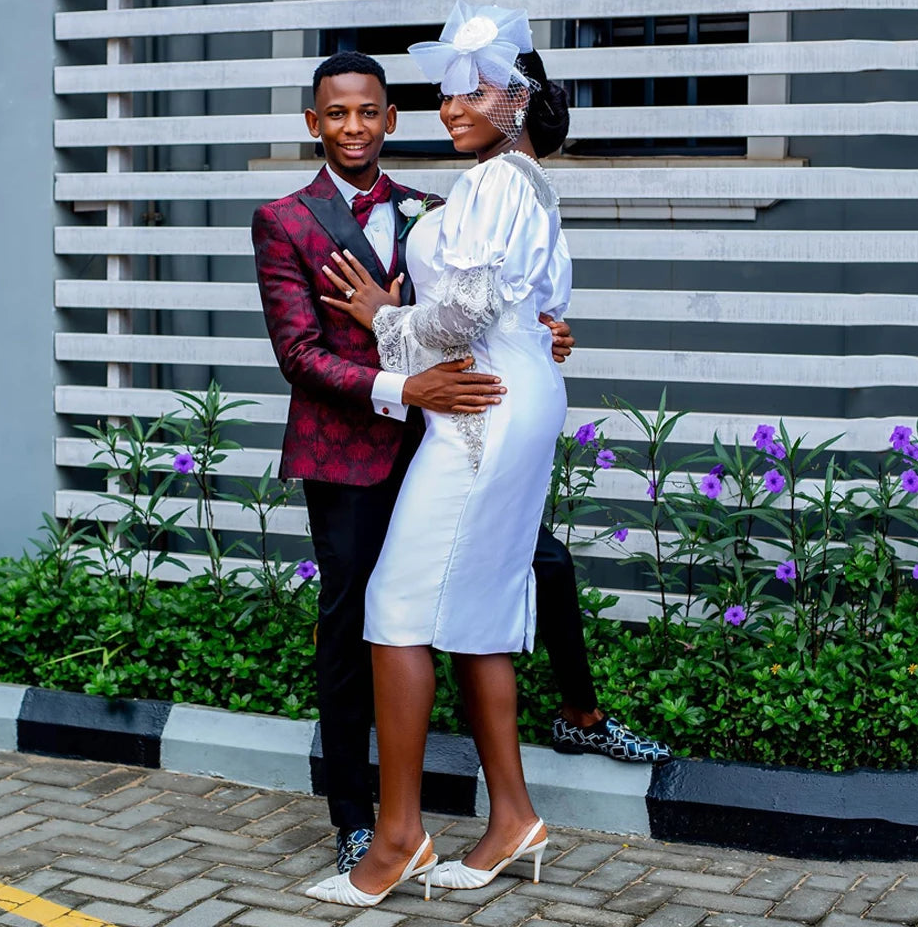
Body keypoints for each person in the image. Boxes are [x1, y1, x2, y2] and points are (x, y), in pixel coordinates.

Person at [252, 43, 668, 881]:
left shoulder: (444, 198)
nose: (354, 126)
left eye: (369, 110)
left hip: (457, 429)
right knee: (352, 626)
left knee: (518, 574)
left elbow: (485, 290)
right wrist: (409, 377)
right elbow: (299, 357)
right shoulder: (284, 219)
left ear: (387, 117)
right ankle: (357, 823)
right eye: (336, 113)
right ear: (312, 123)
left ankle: (544, 756)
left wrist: (541, 327)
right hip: (357, 444)